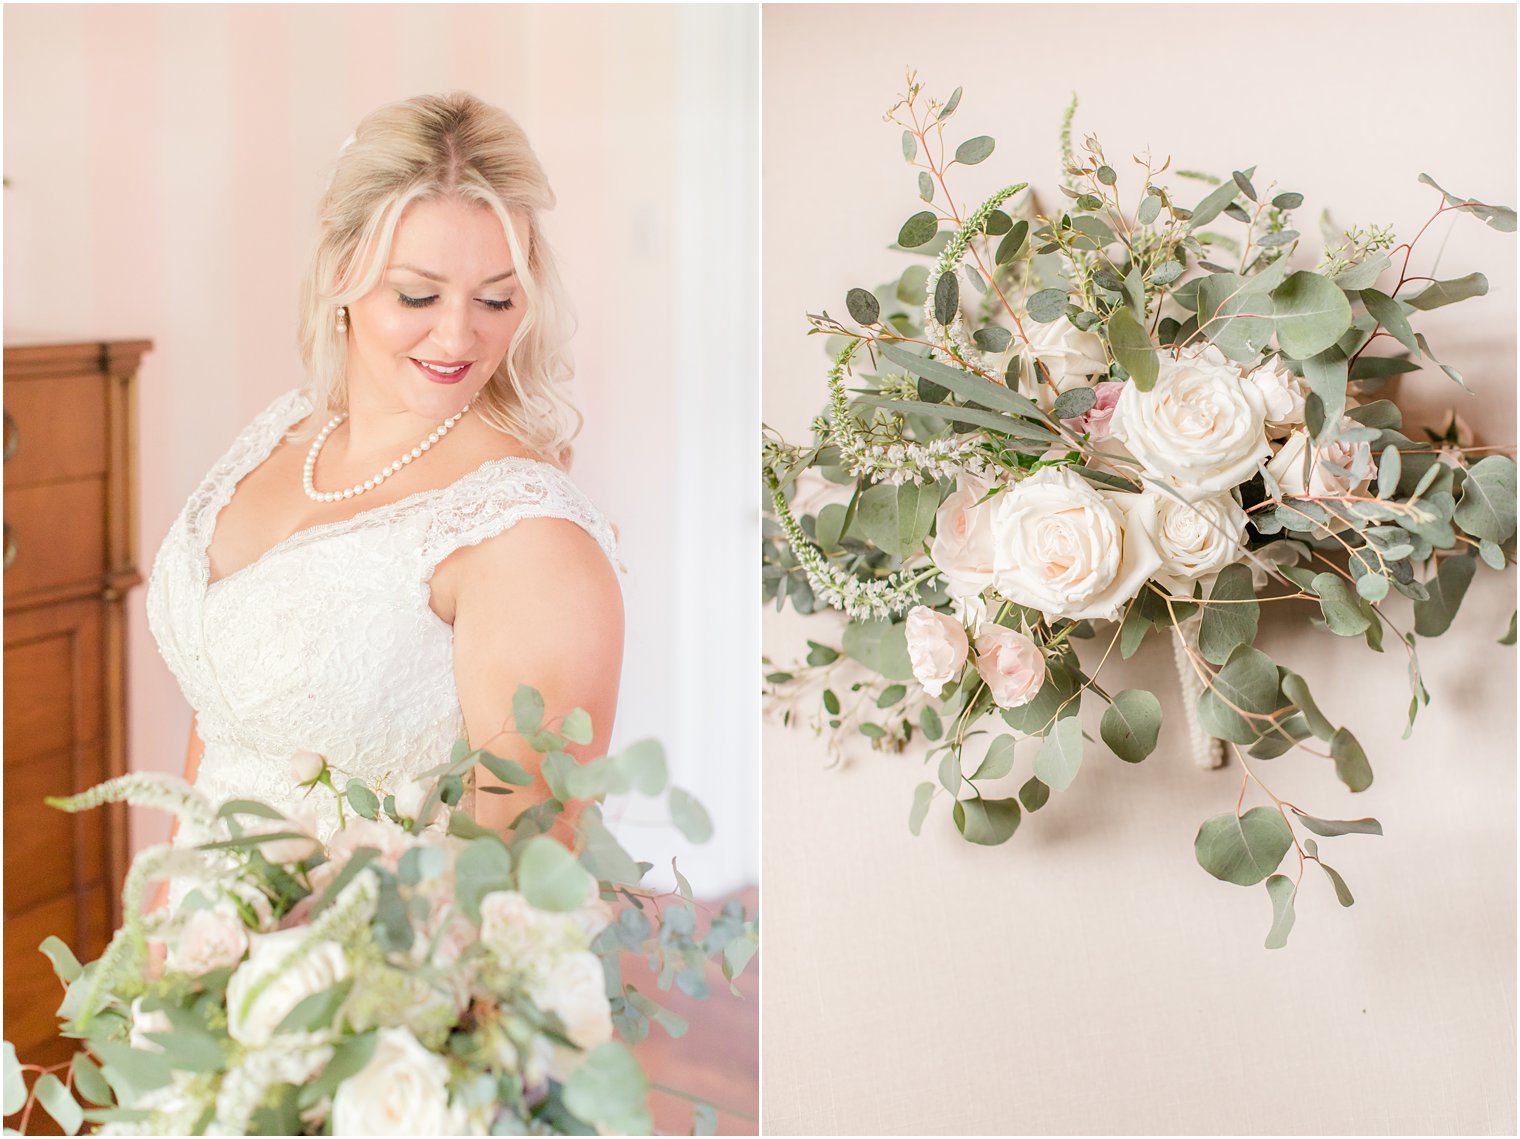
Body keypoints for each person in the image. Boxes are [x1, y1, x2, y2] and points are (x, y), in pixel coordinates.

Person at [145, 91, 623, 867]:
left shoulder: (525, 534)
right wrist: (161, 932)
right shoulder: (282, 431)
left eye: (497, 298)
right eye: (418, 294)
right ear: (340, 269)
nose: (458, 333)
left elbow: (521, 873)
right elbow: (223, 721)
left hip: (361, 971)